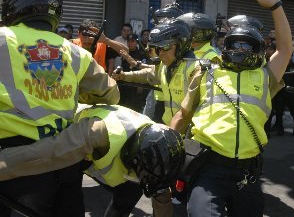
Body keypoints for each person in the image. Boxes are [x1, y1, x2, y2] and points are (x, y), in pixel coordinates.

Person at [0, 0, 119, 216]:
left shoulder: (3, 39)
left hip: (16, 164)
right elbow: (111, 94)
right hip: (66, 160)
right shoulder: (75, 52)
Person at [170, 0, 292, 216]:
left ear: (258, 50)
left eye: (247, 46)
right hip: (208, 168)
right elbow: (182, 115)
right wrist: (165, 154)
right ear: (225, 47)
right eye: (236, 44)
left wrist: (275, 5)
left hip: (248, 170)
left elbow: (285, 49)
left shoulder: (265, 76)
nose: (241, 49)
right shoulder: (206, 71)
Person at [0, 104, 186, 217]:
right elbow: (46, 153)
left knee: (129, 194)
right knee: (52, 203)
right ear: (133, 159)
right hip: (67, 146)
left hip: (98, 157)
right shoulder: (97, 133)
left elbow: (161, 195)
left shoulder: (159, 146)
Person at [113, 18, 196, 217]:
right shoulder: (167, 66)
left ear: (181, 44)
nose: (159, 54)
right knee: (161, 187)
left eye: (164, 48)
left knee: (193, 192)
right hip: (172, 135)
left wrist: (165, 141)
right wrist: (124, 75)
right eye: (156, 49)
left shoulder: (196, 69)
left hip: (193, 138)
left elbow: (186, 112)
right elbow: (149, 74)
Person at [270, 41, 294, 136]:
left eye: (289, 57)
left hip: (292, 93)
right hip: (280, 93)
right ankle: (280, 129)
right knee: (279, 112)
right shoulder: (278, 66)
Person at [117, 34, 149, 112]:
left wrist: (141, 85)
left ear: (136, 42)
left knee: (134, 108)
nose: (130, 43)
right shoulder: (125, 53)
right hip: (124, 83)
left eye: (132, 41)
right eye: (128, 41)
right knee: (123, 107)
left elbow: (144, 71)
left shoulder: (141, 54)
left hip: (136, 84)